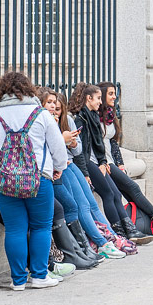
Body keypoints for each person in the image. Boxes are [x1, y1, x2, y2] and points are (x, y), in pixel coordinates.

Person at [0, 71, 67, 291]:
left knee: (14, 229)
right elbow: (58, 146)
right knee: (41, 226)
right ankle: (40, 276)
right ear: (27, 89)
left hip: (2, 180)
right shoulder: (40, 114)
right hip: (38, 178)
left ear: (1, 92)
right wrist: (59, 167)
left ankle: (18, 280)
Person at [37, 87, 123, 265]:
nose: (54, 108)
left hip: (67, 165)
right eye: (50, 103)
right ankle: (86, 248)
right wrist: (63, 140)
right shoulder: (41, 120)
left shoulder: (66, 120)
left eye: (56, 105)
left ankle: (104, 241)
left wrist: (72, 142)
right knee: (74, 206)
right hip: (56, 170)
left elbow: (79, 150)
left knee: (89, 203)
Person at [97, 82, 153, 240]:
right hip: (103, 165)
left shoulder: (110, 115)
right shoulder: (95, 117)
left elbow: (114, 143)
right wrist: (104, 162)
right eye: (110, 94)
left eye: (114, 93)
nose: (114, 97)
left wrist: (121, 163)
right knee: (133, 187)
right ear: (102, 96)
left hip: (111, 163)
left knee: (132, 194)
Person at [70, 83, 153, 245]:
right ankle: (119, 232)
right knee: (108, 193)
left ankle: (129, 228)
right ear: (89, 98)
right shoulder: (81, 119)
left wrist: (103, 162)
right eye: (98, 98)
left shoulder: (92, 115)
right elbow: (81, 150)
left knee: (115, 193)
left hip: (97, 163)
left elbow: (98, 145)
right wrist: (86, 173)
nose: (100, 102)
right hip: (87, 164)